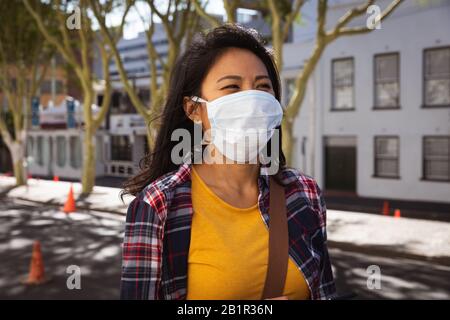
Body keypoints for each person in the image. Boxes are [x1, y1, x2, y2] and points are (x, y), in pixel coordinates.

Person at [120, 24, 336, 300]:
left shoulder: (305, 192)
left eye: (262, 87)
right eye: (232, 87)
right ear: (194, 109)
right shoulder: (157, 205)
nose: (252, 100)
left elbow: (326, 292)